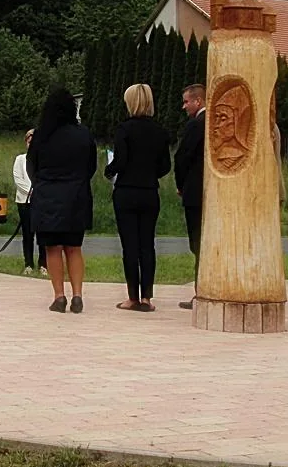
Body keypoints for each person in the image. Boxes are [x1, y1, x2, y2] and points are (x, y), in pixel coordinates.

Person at [104, 84, 173, 311]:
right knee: (147, 244)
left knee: (130, 246)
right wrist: (150, 173)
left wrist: (109, 170)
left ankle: (132, 296)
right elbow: (165, 165)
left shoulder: (124, 129)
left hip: (126, 191)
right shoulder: (160, 131)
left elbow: (120, 160)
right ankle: (147, 298)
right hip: (149, 191)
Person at [28, 87, 96, 313]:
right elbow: (91, 166)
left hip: (48, 196)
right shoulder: (83, 134)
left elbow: (32, 166)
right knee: (74, 247)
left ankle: (59, 296)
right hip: (76, 196)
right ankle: (77, 295)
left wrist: (42, 184)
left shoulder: (41, 135)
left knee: (52, 248)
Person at [174, 83, 207, 309]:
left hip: (195, 192)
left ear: (198, 101)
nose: (184, 106)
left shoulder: (196, 125)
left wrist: (181, 184)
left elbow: (182, 157)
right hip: (211, 192)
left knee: (198, 243)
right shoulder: (214, 122)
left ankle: (201, 292)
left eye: (187, 101)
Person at [12, 128, 47, 277]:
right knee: (27, 233)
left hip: (42, 201)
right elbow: (18, 178)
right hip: (24, 200)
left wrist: (40, 193)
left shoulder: (45, 159)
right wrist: (31, 192)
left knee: (43, 233)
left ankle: (43, 264)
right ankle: (28, 264)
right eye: (29, 141)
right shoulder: (20, 159)